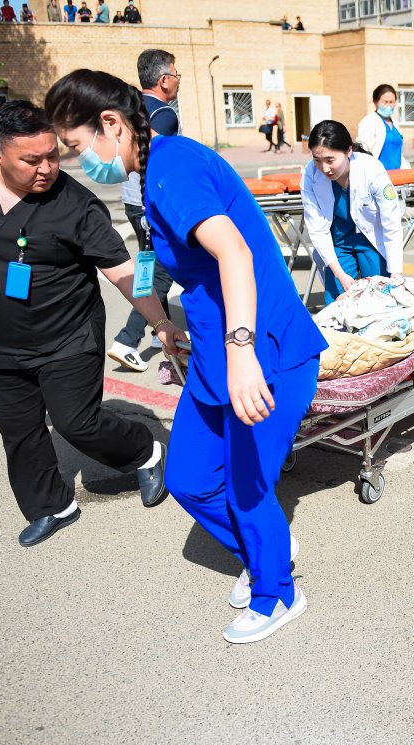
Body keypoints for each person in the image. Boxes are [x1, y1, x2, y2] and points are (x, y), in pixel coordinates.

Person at [45, 69, 328, 643]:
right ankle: (267, 552)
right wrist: (161, 324)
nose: (77, 161)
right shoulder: (148, 172)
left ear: (110, 124)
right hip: (212, 351)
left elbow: (236, 254)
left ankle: (278, 592)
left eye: (75, 146)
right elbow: (152, 264)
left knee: (247, 488)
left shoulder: (171, 169)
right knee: (190, 478)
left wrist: (242, 354)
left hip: (263, 349)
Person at [0, 101, 172, 547]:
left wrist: (159, 322)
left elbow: (121, 269)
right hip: (0, 341)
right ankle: (51, 505)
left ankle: (144, 450)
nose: (46, 168)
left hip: (68, 335)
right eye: (31, 160)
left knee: (76, 423)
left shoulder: (74, 204)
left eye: (53, 155)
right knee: (19, 431)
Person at [108, 49, 182, 373]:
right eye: (176, 75)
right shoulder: (162, 114)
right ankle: (127, 340)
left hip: (131, 201)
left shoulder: (129, 107)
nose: (178, 80)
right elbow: (162, 165)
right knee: (160, 272)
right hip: (150, 203)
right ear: (164, 80)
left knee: (148, 265)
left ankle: (158, 332)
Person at [301, 120, 405, 303]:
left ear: (348, 151)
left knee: (381, 299)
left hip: (372, 239)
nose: (324, 168)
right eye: (317, 160)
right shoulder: (311, 174)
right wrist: (340, 275)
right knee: (336, 303)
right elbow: (316, 228)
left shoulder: (371, 169)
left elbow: (391, 223)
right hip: (340, 241)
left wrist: (396, 275)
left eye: (330, 160)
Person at [357, 84, 406, 170]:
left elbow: (399, 153)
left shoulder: (395, 124)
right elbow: (363, 151)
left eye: (391, 102)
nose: (389, 105)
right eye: (385, 102)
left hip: (398, 174)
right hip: (379, 174)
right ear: (376, 102)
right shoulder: (369, 122)